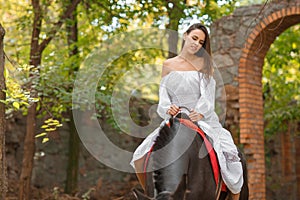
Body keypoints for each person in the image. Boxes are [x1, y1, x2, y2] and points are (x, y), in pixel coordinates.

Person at [130, 23, 243, 199]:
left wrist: (200, 112)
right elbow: (163, 97)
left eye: (201, 42)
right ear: (185, 35)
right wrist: (168, 108)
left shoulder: (205, 65)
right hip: (174, 120)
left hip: (200, 118)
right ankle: (154, 194)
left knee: (230, 158)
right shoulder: (168, 65)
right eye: (194, 38)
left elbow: (207, 99)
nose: (196, 43)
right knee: (139, 157)